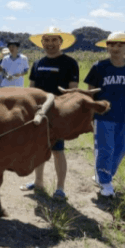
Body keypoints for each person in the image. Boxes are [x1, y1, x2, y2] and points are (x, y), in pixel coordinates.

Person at [85, 32, 125, 197]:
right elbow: (90, 91)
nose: (115, 48)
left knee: (122, 148)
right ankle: (105, 182)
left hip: (124, 116)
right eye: (112, 45)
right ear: (107, 47)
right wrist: (90, 112)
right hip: (103, 116)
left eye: (120, 45)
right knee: (106, 149)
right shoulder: (99, 67)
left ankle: (103, 175)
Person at [22, 27, 79, 199]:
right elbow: (31, 89)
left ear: (61, 42)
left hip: (57, 114)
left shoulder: (69, 63)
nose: (50, 44)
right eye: (46, 40)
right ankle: (38, 182)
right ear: (42, 43)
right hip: (39, 113)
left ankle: (60, 188)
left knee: (57, 150)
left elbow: (73, 91)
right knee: (39, 148)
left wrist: (66, 113)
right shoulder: (38, 63)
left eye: (54, 40)